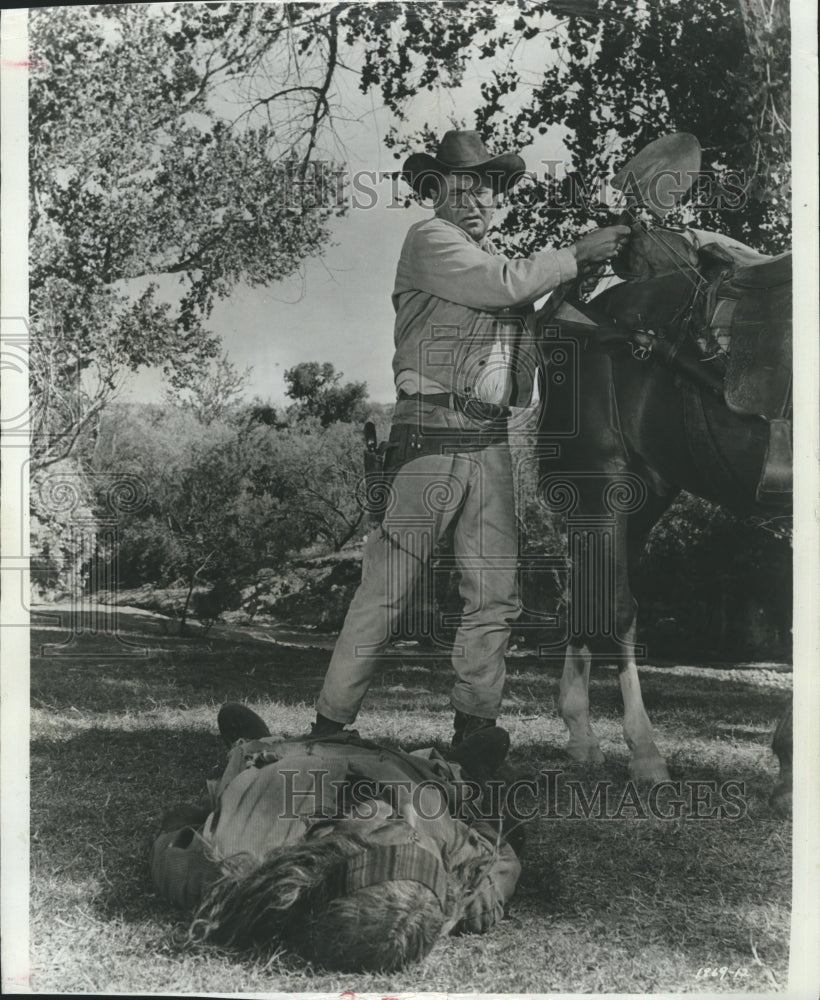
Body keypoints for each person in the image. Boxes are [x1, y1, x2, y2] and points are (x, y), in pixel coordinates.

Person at [314, 130, 629, 747]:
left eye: (484, 190)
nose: (474, 200)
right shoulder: (431, 242)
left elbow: (519, 344)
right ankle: (330, 725)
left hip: (489, 442)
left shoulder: (489, 267)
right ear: (435, 194)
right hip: (428, 440)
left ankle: (476, 728)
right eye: (458, 188)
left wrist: (570, 284)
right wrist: (574, 252)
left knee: (495, 597)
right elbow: (506, 282)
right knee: (388, 592)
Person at [151, 704, 521, 972]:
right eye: (413, 837)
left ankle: (251, 738)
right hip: (408, 768)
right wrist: (476, 826)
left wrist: (210, 812)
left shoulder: (230, 868)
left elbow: (172, 836)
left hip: (282, 756)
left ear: (334, 860)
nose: (392, 815)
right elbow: (500, 860)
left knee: (247, 744)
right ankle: (461, 769)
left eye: (385, 830)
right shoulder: (449, 880)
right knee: (467, 766)